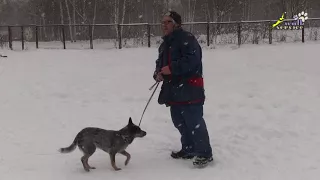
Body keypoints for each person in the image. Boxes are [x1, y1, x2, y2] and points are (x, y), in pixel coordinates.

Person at [153, 11, 213, 167]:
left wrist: (171, 68)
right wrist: (158, 73)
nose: (164, 25)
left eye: (167, 22)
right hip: (173, 91)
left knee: (194, 122)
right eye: (162, 22)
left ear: (176, 24)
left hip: (190, 88)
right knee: (179, 121)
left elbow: (192, 60)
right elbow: (160, 63)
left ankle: (204, 153)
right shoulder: (164, 44)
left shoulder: (187, 39)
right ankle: (189, 148)